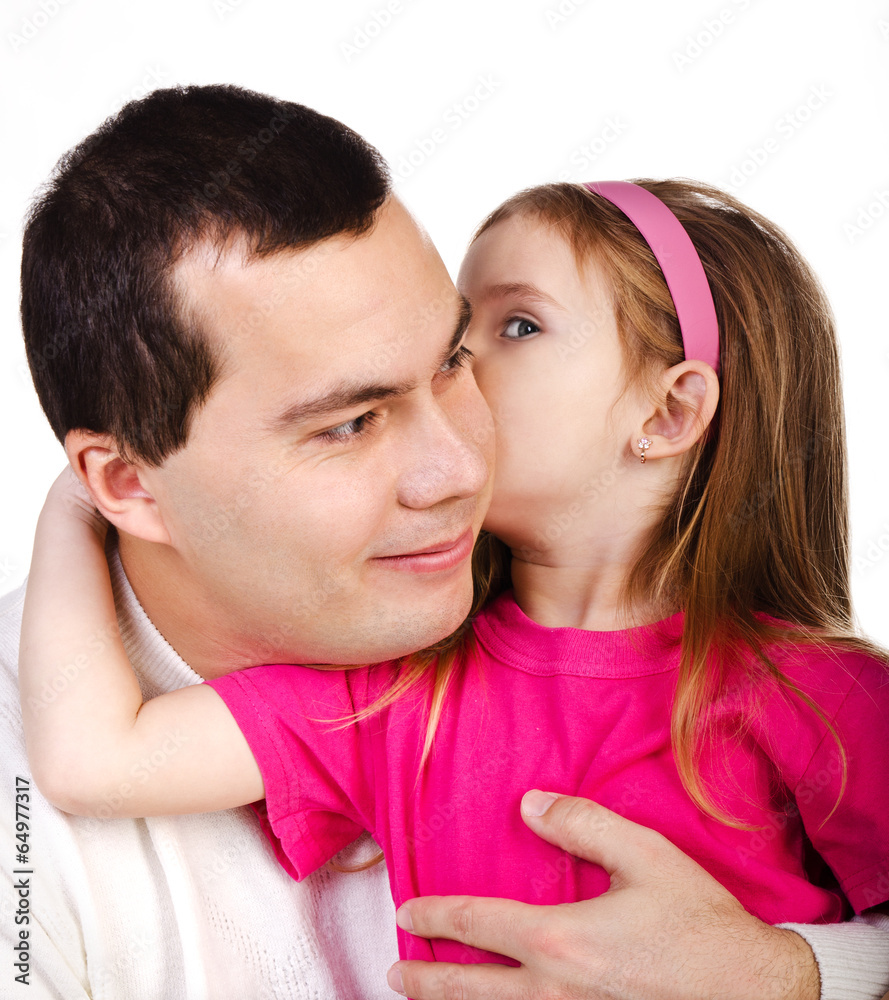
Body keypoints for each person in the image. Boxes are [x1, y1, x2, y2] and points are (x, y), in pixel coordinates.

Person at [14, 100, 889, 996]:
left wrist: (794, 973)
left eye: (455, 358)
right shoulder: (399, 694)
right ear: (127, 484)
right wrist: (70, 513)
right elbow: (95, 763)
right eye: (350, 423)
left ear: (669, 413)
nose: (455, 464)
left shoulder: (824, 697)